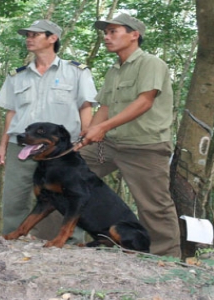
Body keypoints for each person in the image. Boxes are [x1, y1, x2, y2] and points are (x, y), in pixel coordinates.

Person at [74, 13, 181, 258]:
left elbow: (144, 102)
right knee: (67, 175)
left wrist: (102, 128)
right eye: (106, 32)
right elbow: (106, 108)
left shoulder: (151, 64)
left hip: (145, 146)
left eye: (114, 31)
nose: (107, 37)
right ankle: (50, 241)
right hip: (109, 145)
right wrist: (87, 136)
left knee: (154, 206)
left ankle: (167, 259)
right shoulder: (114, 70)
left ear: (135, 35)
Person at [0, 19, 97, 242]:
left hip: (60, 150)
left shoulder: (76, 72)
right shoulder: (17, 75)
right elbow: (11, 112)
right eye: (27, 35)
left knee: (68, 194)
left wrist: (84, 139)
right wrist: (2, 145)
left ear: (52, 38)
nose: (29, 39)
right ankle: (13, 240)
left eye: (35, 35)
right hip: (20, 145)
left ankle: (70, 241)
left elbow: (85, 107)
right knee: (15, 197)